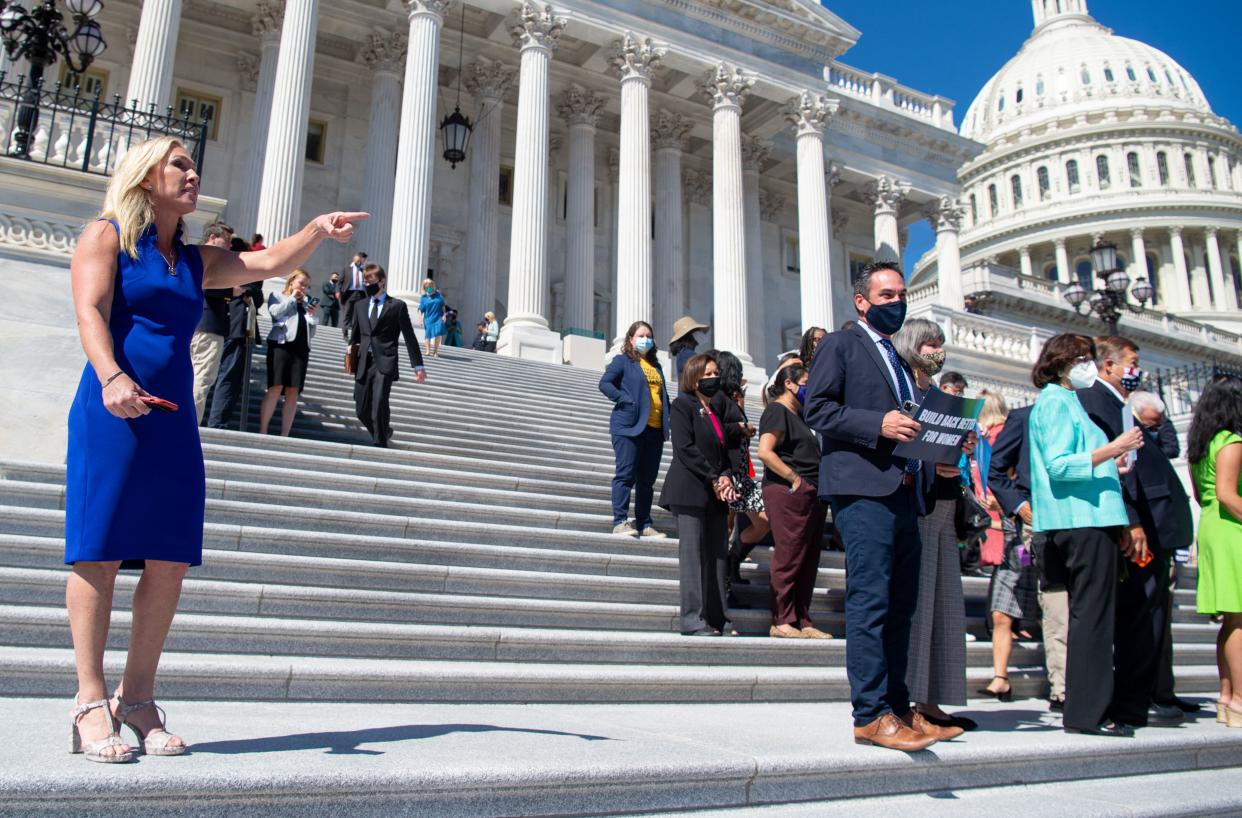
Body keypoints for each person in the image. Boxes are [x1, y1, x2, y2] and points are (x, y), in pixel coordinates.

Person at [65, 134, 363, 763]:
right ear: (147, 176)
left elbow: (268, 265)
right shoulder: (106, 235)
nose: (192, 173)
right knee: (100, 552)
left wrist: (316, 227)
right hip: (113, 408)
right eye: (179, 164)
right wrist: (112, 377)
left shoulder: (195, 260)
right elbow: (90, 314)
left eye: (193, 164)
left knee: (170, 559)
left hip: (173, 420)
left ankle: (138, 699)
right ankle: (91, 703)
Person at [804, 261, 958, 752]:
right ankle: (870, 714)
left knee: (901, 605)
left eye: (902, 294)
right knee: (871, 599)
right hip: (863, 489)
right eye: (886, 294)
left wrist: (943, 455)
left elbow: (910, 425)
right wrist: (879, 425)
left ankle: (898, 706)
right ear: (862, 301)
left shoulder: (896, 357)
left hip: (904, 490)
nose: (898, 302)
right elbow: (818, 408)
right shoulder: (841, 345)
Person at [1028, 333, 1144, 737]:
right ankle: (1088, 712)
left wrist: (1113, 464)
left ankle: (1091, 708)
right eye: (1083, 358)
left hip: (1089, 516)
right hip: (1080, 521)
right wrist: (1113, 449)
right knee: (1092, 617)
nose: (1090, 366)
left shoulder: (1066, 401)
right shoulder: (1055, 403)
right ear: (1061, 362)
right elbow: (1060, 465)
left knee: (1094, 616)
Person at [1076, 336, 1194, 728]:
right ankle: (1129, 703)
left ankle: (1139, 701)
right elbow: (1114, 465)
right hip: (1133, 525)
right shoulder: (1096, 400)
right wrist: (1131, 519)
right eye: (1130, 362)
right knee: (1139, 618)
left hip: (1151, 523)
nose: (1135, 369)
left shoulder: (1119, 402)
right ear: (1108, 366)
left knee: (1147, 618)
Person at [892, 317, 971, 734]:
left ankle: (933, 698)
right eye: (931, 344)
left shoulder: (938, 395)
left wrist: (962, 445)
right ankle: (910, 701)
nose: (938, 350)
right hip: (917, 503)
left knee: (946, 602)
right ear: (913, 347)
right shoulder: (904, 391)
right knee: (920, 606)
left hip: (944, 502)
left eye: (940, 343)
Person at [987, 396, 1068, 711]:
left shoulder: (1081, 414)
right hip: (1023, 533)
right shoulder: (1023, 417)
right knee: (1011, 609)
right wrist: (1019, 506)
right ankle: (1005, 676)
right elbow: (995, 470)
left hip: (1069, 524)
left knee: (1060, 605)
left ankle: (1063, 684)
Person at [659, 352, 739, 636]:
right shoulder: (683, 406)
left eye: (715, 373)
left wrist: (727, 476)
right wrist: (716, 478)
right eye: (706, 374)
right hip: (689, 490)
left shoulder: (716, 411)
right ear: (693, 378)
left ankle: (719, 617)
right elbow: (685, 448)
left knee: (718, 555)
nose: (713, 378)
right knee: (693, 557)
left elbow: (723, 449)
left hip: (716, 492)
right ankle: (692, 618)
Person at [1132, 390, 1201, 715]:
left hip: (1162, 535)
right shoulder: (1124, 425)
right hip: (1143, 533)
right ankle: (1146, 693)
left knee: (1161, 616)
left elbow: (1170, 448)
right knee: (1147, 616)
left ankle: (1162, 690)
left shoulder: (1153, 431)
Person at [975, 389, 1041, 704]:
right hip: (1011, 536)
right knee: (1003, 606)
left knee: (1018, 598)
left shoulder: (1010, 430)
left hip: (1021, 532)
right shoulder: (990, 438)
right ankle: (1000, 677)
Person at [757, 364, 831, 639]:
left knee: (808, 557)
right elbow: (765, 452)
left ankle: (803, 619)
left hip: (813, 492)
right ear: (789, 383)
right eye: (805, 382)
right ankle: (782, 619)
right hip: (789, 491)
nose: (809, 387)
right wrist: (794, 479)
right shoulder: (777, 410)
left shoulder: (801, 415)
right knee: (789, 555)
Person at [1187, 376, 1242, 727]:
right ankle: (1239, 700)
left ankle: (1226, 698)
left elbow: (1203, 494)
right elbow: (1227, 493)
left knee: (1231, 620)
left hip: (1211, 526)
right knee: (1240, 618)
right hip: (1232, 529)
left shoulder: (1203, 444)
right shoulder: (1233, 441)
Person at [598, 321, 670, 538]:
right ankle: (620, 521)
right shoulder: (623, 361)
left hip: (655, 429)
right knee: (626, 474)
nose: (645, 339)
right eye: (640, 335)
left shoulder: (656, 366)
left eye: (649, 335)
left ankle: (644, 523)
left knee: (647, 480)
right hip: (629, 426)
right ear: (630, 339)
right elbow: (605, 383)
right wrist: (625, 399)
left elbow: (661, 395)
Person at [348, 263, 426, 447]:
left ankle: (380, 443)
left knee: (380, 401)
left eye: (371, 281)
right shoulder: (360, 305)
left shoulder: (397, 306)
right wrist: (350, 353)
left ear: (382, 282)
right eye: (365, 282)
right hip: (363, 361)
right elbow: (356, 335)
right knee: (361, 408)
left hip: (385, 360)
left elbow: (409, 336)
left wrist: (418, 365)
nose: (368, 286)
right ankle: (384, 430)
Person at [710, 350, 768, 586]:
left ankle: (734, 559)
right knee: (726, 524)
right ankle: (723, 578)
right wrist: (739, 428)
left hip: (742, 474)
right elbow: (716, 430)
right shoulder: (717, 397)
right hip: (730, 473)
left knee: (764, 521)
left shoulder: (732, 397)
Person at [258, 269, 318, 437]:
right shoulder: (277, 296)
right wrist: (292, 298)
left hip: (301, 348)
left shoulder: (306, 303)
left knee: (293, 390)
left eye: (306, 285)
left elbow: (310, 332)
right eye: (301, 283)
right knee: (275, 387)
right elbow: (275, 313)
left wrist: (312, 317)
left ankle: (285, 434)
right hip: (281, 345)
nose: (303, 288)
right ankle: (263, 429)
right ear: (291, 281)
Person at [204, 261, 262, 430]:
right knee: (225, 378)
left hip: (239, 332)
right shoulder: (227, 277)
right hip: (232, 329)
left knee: (232, 380)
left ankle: (219, 420)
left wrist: (245, 290)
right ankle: (216, 422)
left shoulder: (247, 283)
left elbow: (257, 297)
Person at [188, 222, 232, 421]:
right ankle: (190, 426)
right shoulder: (208, 258)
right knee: (202, 378)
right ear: (213, 238)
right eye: (227, 240)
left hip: (194, 324)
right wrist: (233, 288)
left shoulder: (192, 255)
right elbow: (208, 286)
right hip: (208, 326)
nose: (230, 246)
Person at [336, 251, 369, 340]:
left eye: (364, 259)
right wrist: (338, 291)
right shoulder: (347, 269)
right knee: (347, 314)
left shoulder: (365, 271)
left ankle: (355, 335)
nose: (363, 261)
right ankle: (345, 333)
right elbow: (340, 281)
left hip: (361, 294)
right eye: (362, 259)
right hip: (349, 294)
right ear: (357, 258)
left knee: (358, 315)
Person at [669, 315, 709, 381]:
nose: (700, 334)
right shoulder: (686, 354)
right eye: (697, 331)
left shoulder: (684, 353)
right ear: (689, 335)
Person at [419, 278, 447, 358]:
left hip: (438, 317)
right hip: (428, 318)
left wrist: (444, 315)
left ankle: (435, 351)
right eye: (427, 286)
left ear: (433, 286)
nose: (429, 287)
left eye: (430, 286)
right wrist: (420, 319)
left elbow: (443, 306)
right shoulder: (424, 298)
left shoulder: (438, 295)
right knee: (428, 334)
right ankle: (427, 350)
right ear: (424, 287)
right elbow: (421, 309)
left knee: (438, 333)